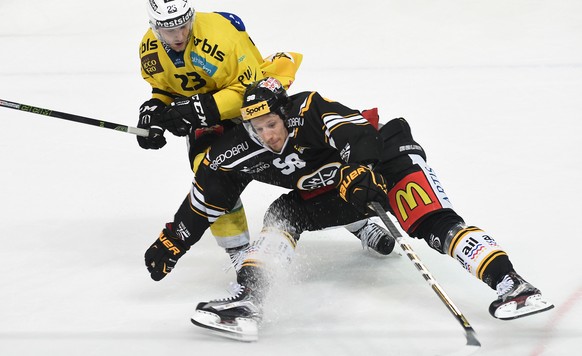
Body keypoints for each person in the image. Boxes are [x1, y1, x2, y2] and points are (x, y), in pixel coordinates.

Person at [141, 77, 553, 341]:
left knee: (430, 221)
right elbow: (209, 193)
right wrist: (174, 239)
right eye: (255, 128)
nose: (265, 135)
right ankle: (250, 301)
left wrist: (359, 169)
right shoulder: (241, 148)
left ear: (283, 114)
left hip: (387, 161)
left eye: (270, 124)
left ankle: (513, 285)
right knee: (282, 215)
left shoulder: (308, 109)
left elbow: (356, 132)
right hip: (336, 188)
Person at [137, 0, 391, 267]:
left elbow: (250, 86)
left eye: (182, 25)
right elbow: (163, 88)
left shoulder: (221, 36)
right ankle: (238, 251)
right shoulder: (149, 49)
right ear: (154, 28)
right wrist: (155, 111)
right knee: (210, 173)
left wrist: (201, 108)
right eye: (168, 29)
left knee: (303, 161)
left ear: (192, 16)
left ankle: (358, 222)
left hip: (250, 111)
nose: (178, 35)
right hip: (207, 119)